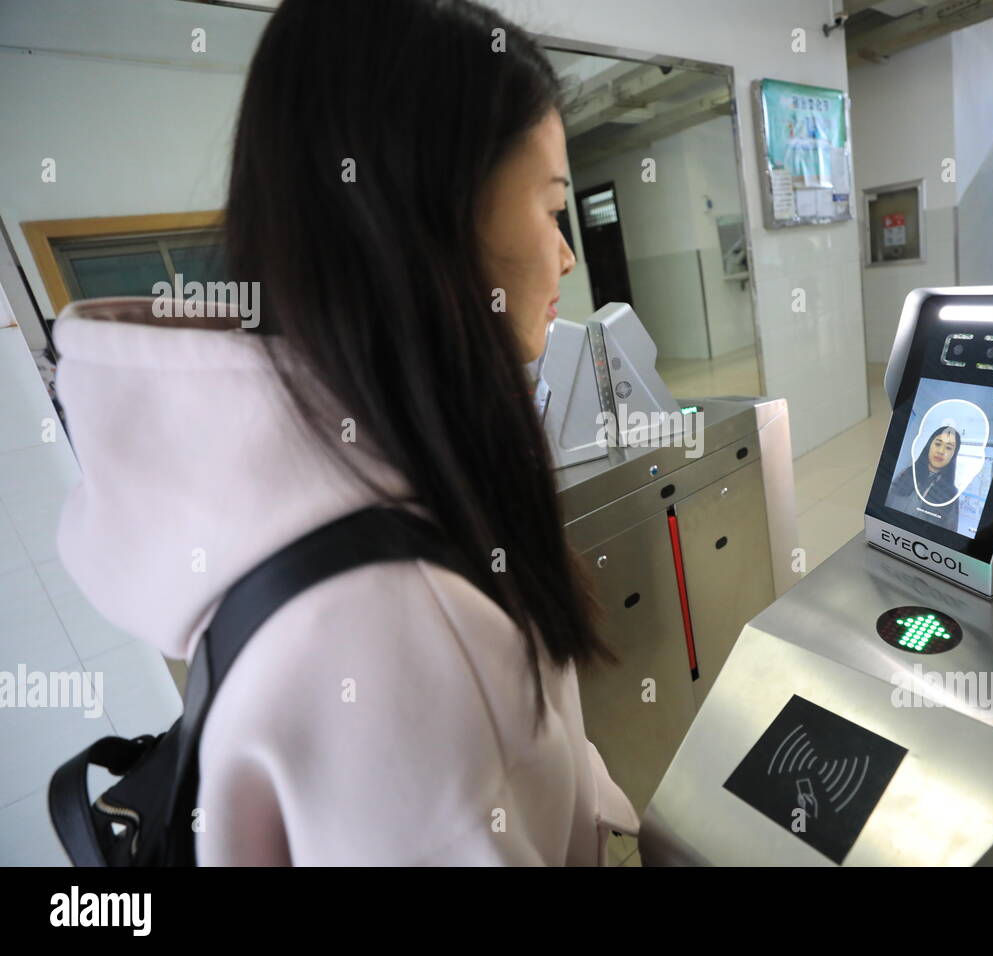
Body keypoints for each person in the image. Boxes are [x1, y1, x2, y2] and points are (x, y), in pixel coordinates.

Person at [51, 0, 637, 865]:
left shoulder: (318, 500)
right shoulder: (401, 626)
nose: (567, 253)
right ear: (431, 211)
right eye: (552, 208)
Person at [884, 424, 963, 532]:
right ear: (929, 446)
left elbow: (949, 533)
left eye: (949, 447)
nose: (941, 451)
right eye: (938, 443)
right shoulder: (906, 473)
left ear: (953, 456)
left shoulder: (952, 494)